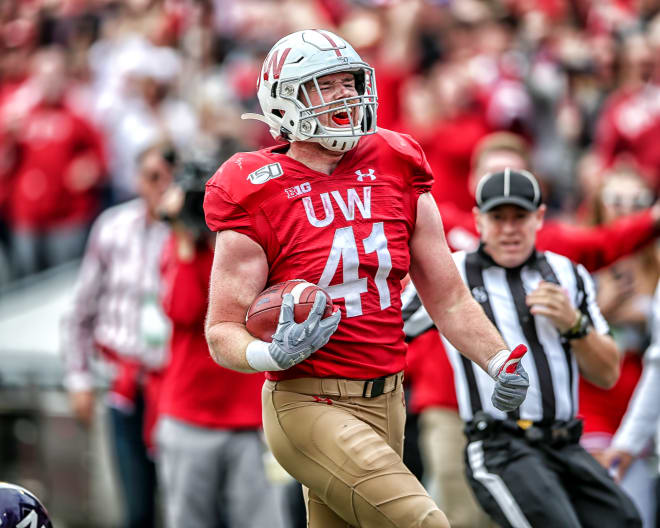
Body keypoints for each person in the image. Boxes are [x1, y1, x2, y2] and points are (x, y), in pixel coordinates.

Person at [203, 29, 529, 528]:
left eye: (348, 81)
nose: (345, 95)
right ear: (284, 99)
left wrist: (497, 358)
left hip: (389, 399)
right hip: (308, 401)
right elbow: (221, 327)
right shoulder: (253, 187)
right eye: (324, 84)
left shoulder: (395, 161)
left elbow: (450, 298)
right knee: (425, 522)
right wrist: (269, 353)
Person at [428, 167, 640, 527]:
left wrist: (574, 324)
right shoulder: (452, 273)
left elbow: (607, 373)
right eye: (498, 217)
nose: (509, 229)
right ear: (478, 219)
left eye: (520, 217)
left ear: (539, 217)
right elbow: (391, 326)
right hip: (501, 444)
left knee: (623, 518)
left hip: (565, 442)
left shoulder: (567, 273)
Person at [155, 162, 286, 528]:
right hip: (190, 414)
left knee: (262, 520)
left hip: (247, 415)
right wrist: (182, 233)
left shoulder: (248, 244)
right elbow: (182, 311)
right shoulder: (181, 248)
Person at [60, 142, 175, 528]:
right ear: (136, 179)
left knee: (183, 505)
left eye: (171, 175)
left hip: (178, 387)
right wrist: (77, 379)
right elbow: (80, 311)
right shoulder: (113, 226)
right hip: (125, 384)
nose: (163, 185)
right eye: (153, 176)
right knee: (135, 505)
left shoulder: (199, 228)